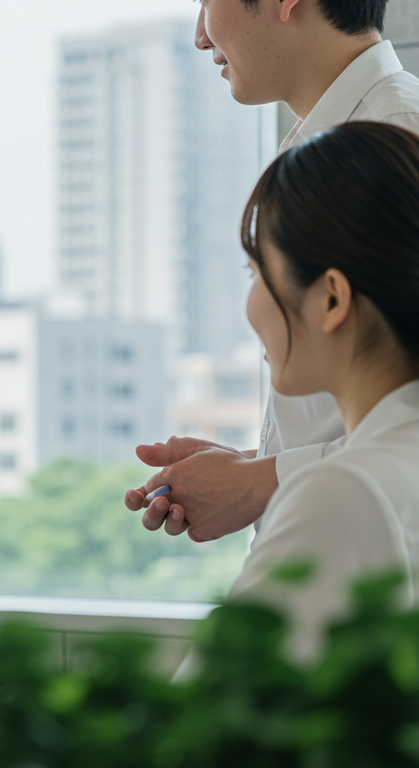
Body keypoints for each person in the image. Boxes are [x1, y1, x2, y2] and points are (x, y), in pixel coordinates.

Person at [125, 0, 419, 542]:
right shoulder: (337, 140)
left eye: (206, 2)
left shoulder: (396, 138)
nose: (200, 36)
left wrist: (265, 479)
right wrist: (252, 467)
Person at [201, 121, 419, 660]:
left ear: (330, 299)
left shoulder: (340, 493)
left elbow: (198, 733)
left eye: (255, 272)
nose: (251, 304)